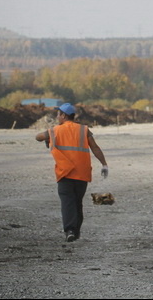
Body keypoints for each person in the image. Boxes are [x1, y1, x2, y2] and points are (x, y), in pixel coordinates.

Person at [35, 103, 108, 242]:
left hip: (65, 172)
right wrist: (104, 164)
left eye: (58, 114)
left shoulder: (55, 131)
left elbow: (38, 137)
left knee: (67, 202)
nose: (57, 117)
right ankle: (76, 231)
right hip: (82, 173)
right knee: (77, 202)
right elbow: (95, 147)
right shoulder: (84, 130)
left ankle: (70, 230)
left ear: (63, 115)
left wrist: (48, 137)